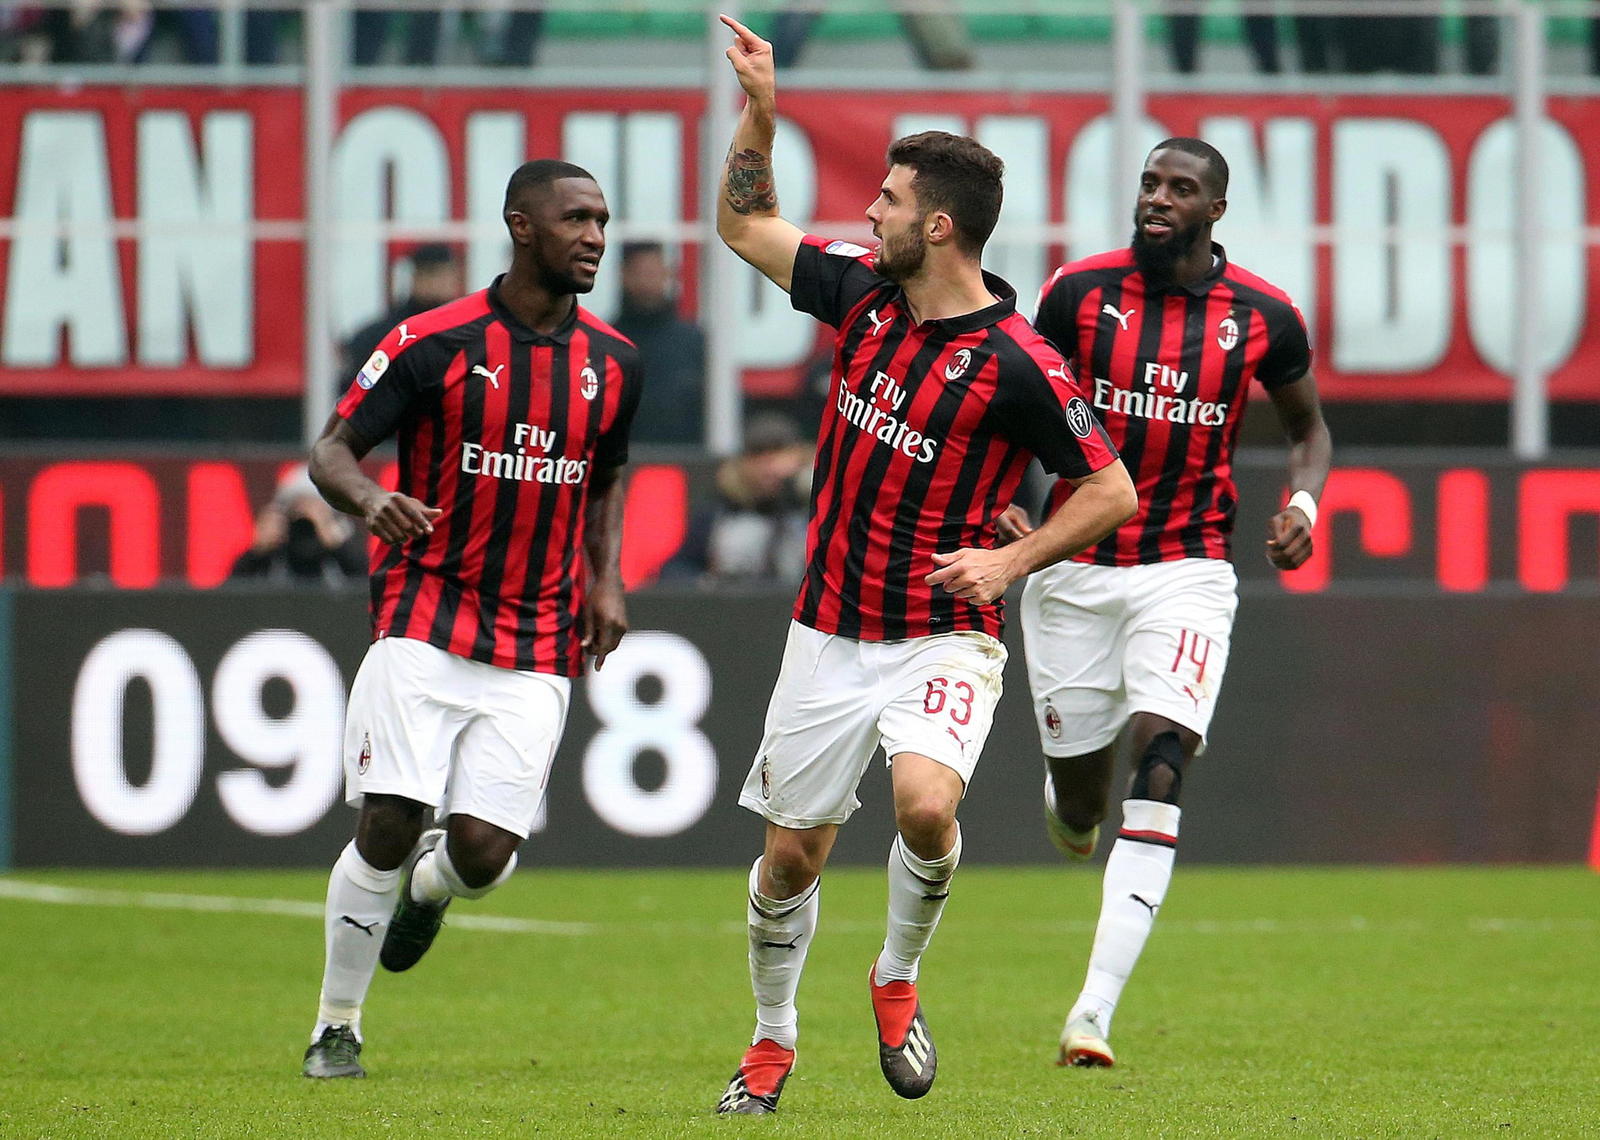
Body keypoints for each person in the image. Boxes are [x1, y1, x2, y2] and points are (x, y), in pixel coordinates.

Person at [711, 16, 1137, 1115]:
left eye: (889, 201)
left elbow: (1110, 489)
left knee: (924, 807)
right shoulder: (860, 290)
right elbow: (744, 222)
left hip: (943, 632)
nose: (870, 213)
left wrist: (1011, 562)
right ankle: (771, 1040)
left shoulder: (1020, 364)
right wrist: (761, 112)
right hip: (827, 627)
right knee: (791, 862)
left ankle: (895, 975)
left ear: (937, 226)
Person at [298, 158, 641, 1079]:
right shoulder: (432, 341)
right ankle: (337, 1024)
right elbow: (331, 451)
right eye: (576, 219)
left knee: (483, 856)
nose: (595, 238)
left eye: (602, 221)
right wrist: (371, 500)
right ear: (521, 226)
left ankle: (432, 888)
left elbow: (607, 474)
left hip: (539, 630)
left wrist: (606, 580)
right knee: (390, 817)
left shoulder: (615, 362)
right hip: (425, 606)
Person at [1006, 137, 1332, 1069]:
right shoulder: (1078, 292)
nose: (1157, 197)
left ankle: (1092, 1015)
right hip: (1072, 566)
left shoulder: (1264, 314)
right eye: (1149, 182)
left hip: (1187, 568)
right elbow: (1019, 401)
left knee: (1161, 762)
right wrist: (1007, 505)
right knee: (1080, 807)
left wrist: (1303, 505)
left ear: (1214, 210)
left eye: (1179, 188)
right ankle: (1073, 802)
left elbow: (1310, 431)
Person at [662, 412, 810, 584]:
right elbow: (677, 568)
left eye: (778, 453)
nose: (769, 465)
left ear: (798, 457)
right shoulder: (719, 514)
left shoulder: (818, 508)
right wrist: (708, 584)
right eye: (758, 456)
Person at [612, 242, 706, 446]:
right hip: (623, 455)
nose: (647, 281)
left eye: (653, 272)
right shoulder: (607, 341)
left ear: (668, 274)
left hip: (688, 455)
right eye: (640, 272)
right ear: (623, 275)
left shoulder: (694, 341)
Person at [341, 244, 466, 384]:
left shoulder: (469, 333)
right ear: (415, 277)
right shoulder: (378, 336)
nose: (440, 283)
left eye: (446, 275)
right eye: (432, 274)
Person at [226, 465, 366, 586]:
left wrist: (336, 545)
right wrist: (258, 552)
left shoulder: (339, 549)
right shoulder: (277, 549)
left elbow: (365, 585)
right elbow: (234, 591)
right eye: (297, 508)